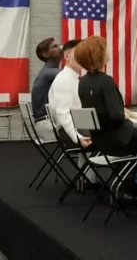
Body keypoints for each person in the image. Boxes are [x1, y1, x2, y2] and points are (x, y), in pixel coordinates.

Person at [76, 35, 137, 212]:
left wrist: (124, 113)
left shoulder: (83, 82)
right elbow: (115, 115)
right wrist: (126, 115)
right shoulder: (105, 81)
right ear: (99, 55)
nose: (108, 52)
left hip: (102, 142)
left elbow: (101, 111)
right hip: (121, 140)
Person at [47, 39, 99, 185]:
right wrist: (78, 137)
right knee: (125, 137)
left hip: (78, 126)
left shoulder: (73, 79)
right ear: (67, 57)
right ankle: (124, 183)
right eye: (78, 53)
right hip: (69, 133)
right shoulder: (64, 80)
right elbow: (63, 113)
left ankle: (88, 180)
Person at [30, 37, 62, 122]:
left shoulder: (46, 72)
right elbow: (75, 78)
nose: (60, 48)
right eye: (55, 46)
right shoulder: (49, 73)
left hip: (45, 121)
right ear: (45, 54)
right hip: (47, 123)